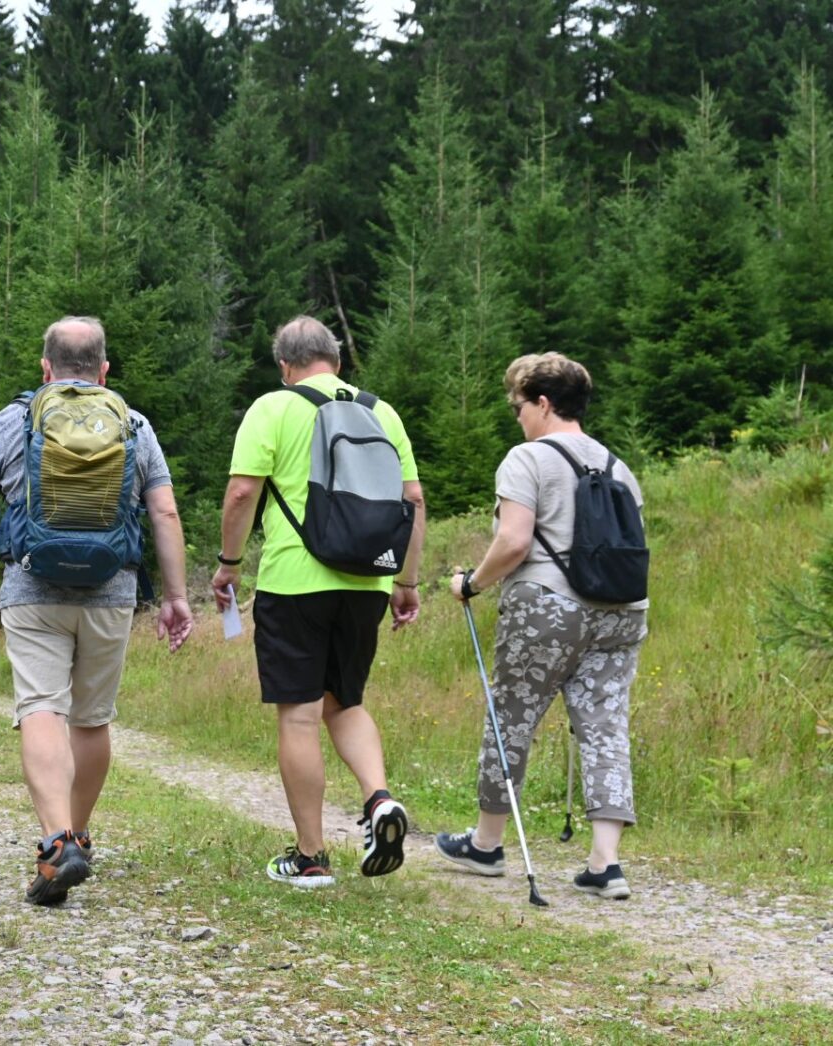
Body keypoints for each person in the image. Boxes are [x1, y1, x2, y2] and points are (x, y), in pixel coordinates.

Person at [0, 316, 194, 907]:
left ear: (45, 368)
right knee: (91, 719)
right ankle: (78, 831)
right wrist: (177, 597)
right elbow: (164, 514)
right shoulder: (133, 424)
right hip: (112, 592)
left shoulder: (16, 420)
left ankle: (57, 843)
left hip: (32, 592)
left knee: (41, 708)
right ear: (104, 369)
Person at [211, 315, 425, 890]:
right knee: (345, 702)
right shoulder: (382, 412)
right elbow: (414, 501)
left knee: (301, 713)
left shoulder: (273, 408)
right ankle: (379, 800)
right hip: (368, 583)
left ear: (285, 365)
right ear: (336, 358)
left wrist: (230, 565)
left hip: (295, 580)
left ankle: (310, 857)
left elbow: (240, 492)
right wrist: (406, 581)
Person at [439, 352, 648, 900]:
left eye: (519, 406)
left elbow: (513, 542)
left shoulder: (527, 459)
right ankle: (606, 865)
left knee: (511, 715)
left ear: (544, 403)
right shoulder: (618, 466)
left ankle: (486, 845)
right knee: (605, 724)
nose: (517, 417)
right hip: (623, 611)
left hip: (548, 608)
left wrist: (471, 585)